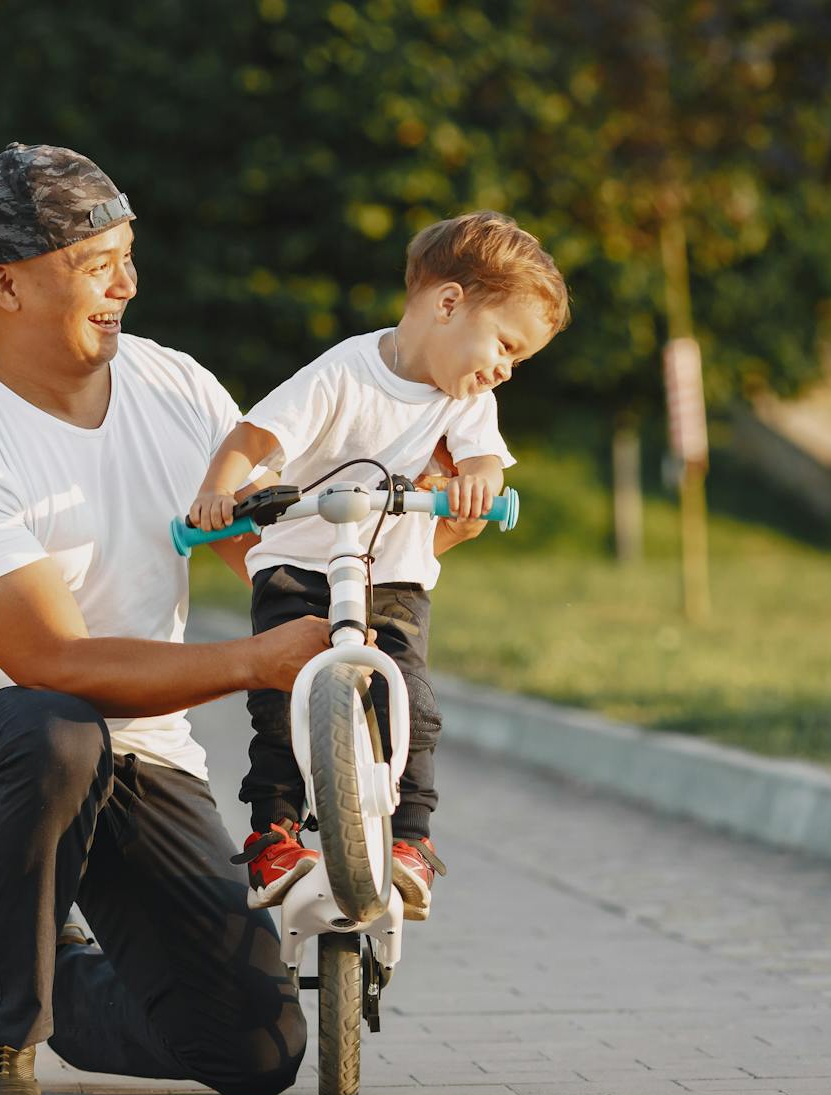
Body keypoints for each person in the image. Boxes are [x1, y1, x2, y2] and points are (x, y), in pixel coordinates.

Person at [0, 143, 330, 1095]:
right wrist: (253, 663)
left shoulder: (173, 388)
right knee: (58, 729)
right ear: (5, 285)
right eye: (97, 263)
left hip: (140, 751)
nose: (127, 283)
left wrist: (404, 534)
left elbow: (265, 553)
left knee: (258, 1050)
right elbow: (54, 663)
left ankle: (46, 986)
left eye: (129, 254)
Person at [187, 211, 570, 922]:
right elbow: (254, 434)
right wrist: (219, 489)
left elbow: (483, 458)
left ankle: (410, 843)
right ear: (448, 303)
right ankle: (275, 833)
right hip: (298, 567)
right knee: (279, 699)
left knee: (412, 703)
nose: (505, 369)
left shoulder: (468, 400)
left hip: (391, 575)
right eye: (506, 345)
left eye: (520, 361)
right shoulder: (343, 372)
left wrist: (477, 485)